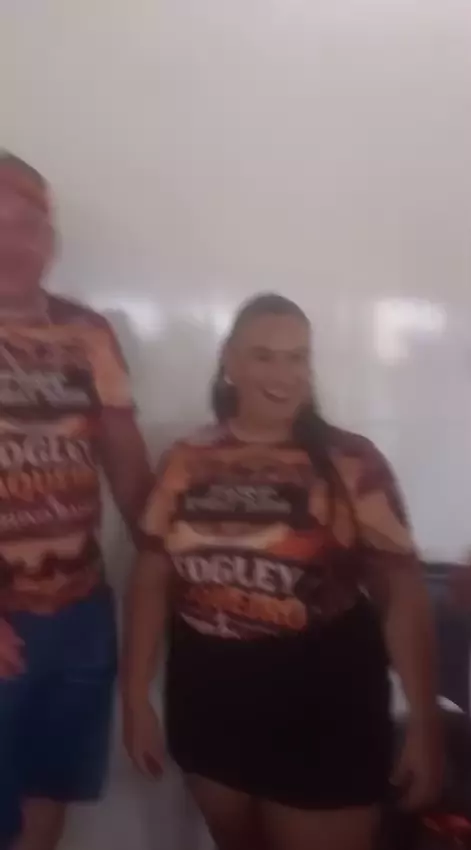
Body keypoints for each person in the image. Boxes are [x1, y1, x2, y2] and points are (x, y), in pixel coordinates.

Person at [123, 293, 441, 850]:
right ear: (230, 362)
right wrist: (134, 699)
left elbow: (402, 594)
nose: (284, 374)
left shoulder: (352, 461)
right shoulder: (186, 459)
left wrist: (424, 720)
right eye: (264, 356)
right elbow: (151, 580)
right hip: (208, 693)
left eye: (297, 357)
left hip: (323, 700)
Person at [0, 152, 152, 850]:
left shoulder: (89, 334)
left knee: (49, 787)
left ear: (51, 240)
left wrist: (174, 573)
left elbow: (126, 465)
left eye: (27, 226)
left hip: (79, 611)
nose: (12, 244)